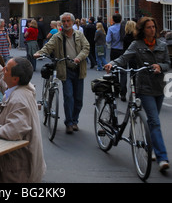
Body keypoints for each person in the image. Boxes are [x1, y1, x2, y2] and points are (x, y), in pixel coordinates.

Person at [0, 33, 46, 183]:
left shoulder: (20, 99)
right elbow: (0, 75)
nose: (3, 70)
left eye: (6, 69)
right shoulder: (19, 87)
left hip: (19, 169)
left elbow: (14, 131)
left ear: (15, 79)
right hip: (16, 163)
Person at [105, 17, 170, 172]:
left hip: (159, 87)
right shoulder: (137, 45)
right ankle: (162, 158)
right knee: (154, 121)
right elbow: (123, 58)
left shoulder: (162, 44)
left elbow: (168, 63)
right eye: (148, 27)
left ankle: (153, 148)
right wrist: (112, 63)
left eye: (153, 27)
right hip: (144, 88)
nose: (152, 30)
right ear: (142, 30)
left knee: (154, 122)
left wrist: (160, 66)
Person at [34, 12, 90, 134]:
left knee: (78, 98)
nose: (66, 23)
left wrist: (79, 57)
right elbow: (48, 46)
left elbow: (86, 48)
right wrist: (40, 52)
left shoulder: (79, 35)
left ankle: (75, 120)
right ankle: (69, 123)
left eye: (68, 21)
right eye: (64, 21)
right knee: (69, 96)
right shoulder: (57, 36)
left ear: (73, 22)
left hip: (79, 69)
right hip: (65, 70)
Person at [106, 13, 127, 100]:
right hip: (123, 51)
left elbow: (108, 40)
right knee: (123, 72)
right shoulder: (124, 28)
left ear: (113, 20)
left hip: (114, 50)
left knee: (115, 71)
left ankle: (116, 91)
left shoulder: (111, 28)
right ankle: (123, 92)